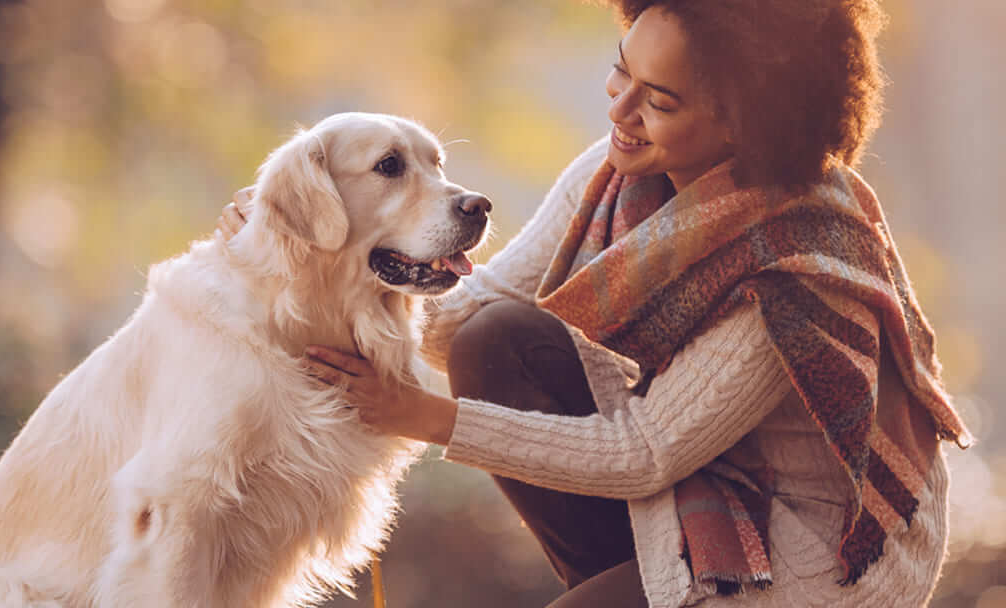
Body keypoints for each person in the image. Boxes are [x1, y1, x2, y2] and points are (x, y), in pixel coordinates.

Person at [218, 1, 970, 606]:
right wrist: (313, 250)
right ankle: (624, 584)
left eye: (660, 101)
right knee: (497, 339)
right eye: (622, 73)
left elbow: (643, 453)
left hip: (818, 555)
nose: (622, 110)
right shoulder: (619, 171)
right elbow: (461, 317)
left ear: (745, 124)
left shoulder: (795, 266)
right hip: (705, 485)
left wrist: (417, 413)